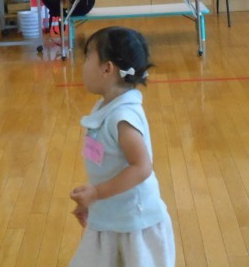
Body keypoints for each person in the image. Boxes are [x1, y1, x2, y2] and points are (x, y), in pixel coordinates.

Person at [69, 26, 175, 267]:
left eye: (87, 57)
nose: (82, 65)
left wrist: (97, 193)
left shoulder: (122, 117)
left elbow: (142, 167)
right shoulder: (105, 107)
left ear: (107, 68)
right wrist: (94, 200)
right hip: (112, 216)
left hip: (134, 224)